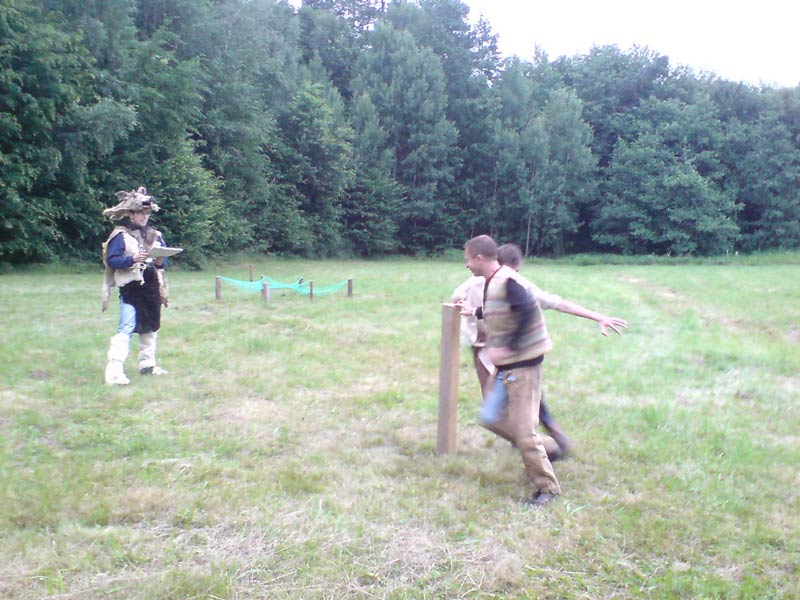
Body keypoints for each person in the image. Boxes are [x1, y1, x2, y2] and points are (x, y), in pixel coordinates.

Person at [461, 235, 627, 506]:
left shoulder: (510, 281)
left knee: (524, 432)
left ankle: (547, 489)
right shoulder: (495, 281)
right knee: (490, 416)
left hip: (522, 368)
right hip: (506, 368)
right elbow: (504, 309)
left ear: (479, 258)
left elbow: (528, 311)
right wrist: (477, 312)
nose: (466, 264)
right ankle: (550, 448)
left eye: (468, 259)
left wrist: (509, 347)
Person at [451, 275, 570, 459]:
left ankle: (542, 443)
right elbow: (458, 298)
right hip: (487, 349)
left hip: (509, 353)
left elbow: (549, 303)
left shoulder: (513, 284)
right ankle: (535, 441)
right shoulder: (479, 283)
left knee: (515, 399)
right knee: (497, 405)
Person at [101, 187, 170, 385]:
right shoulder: (120, 235)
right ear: (131, 214)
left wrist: (160, 261)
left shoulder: (155, 234)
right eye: (140, 212)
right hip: (131, 289)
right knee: (126, 327)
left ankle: (147, 365)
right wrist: (132, 259)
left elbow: (164, 262)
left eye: (146, 213)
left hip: (151, 288)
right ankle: (114, 372)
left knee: (150, 327)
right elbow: (112, 260)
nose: (144, 216)